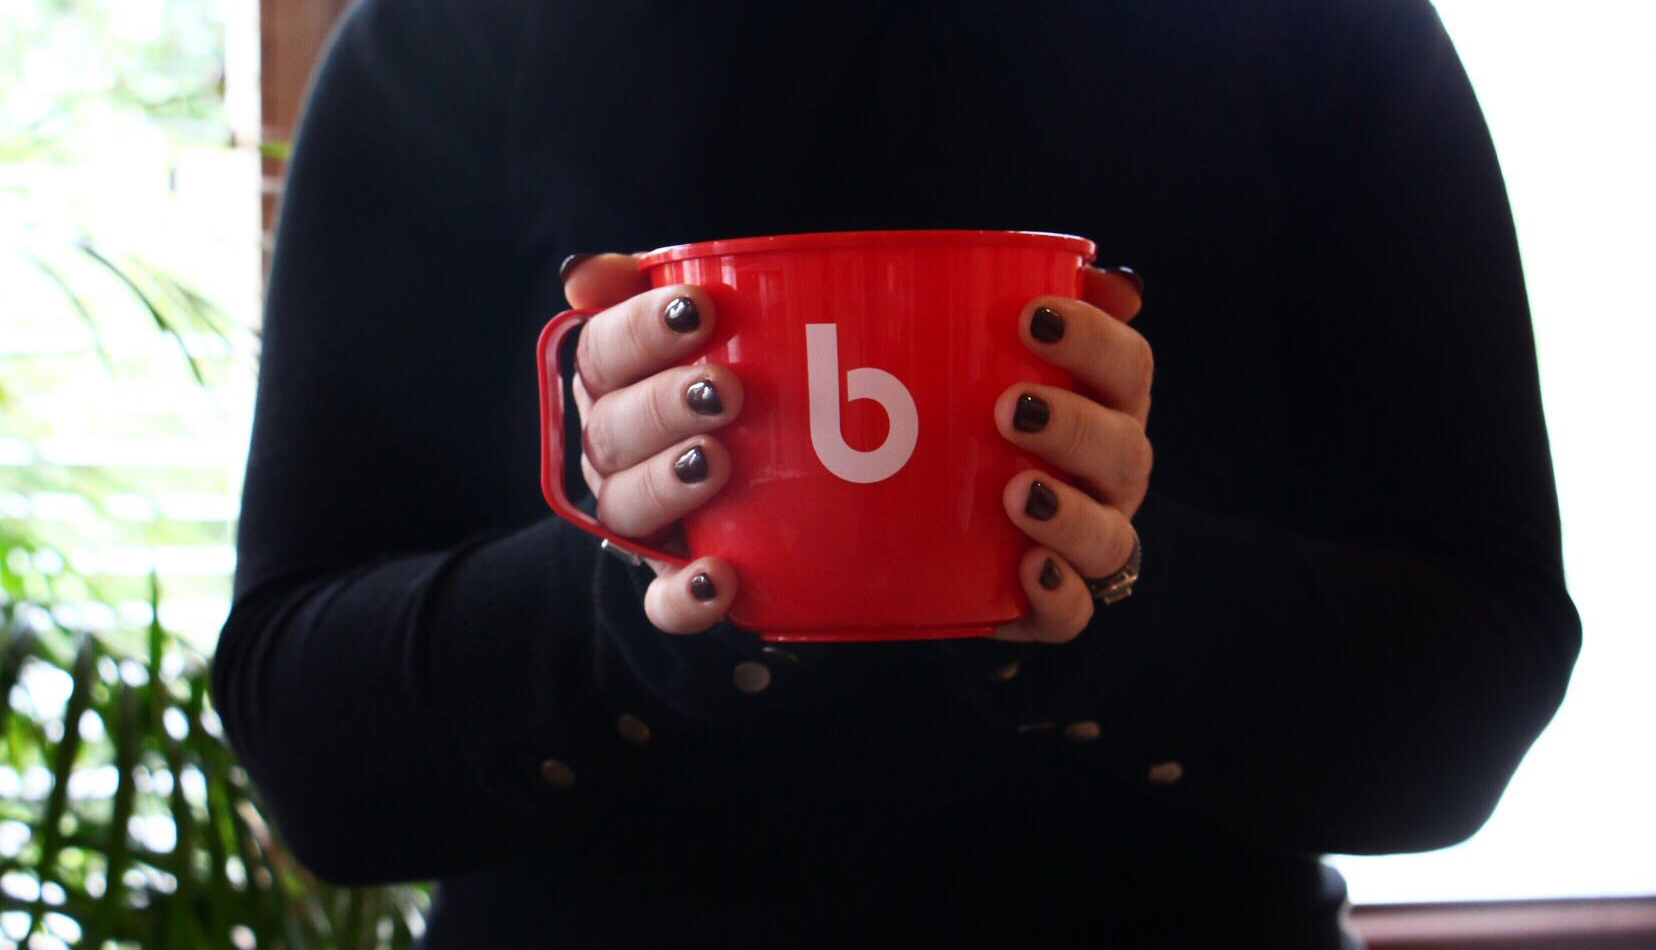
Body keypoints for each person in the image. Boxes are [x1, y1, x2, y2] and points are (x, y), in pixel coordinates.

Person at [210, 0, 1582, 945]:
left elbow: (1480, 690)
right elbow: (310, 747)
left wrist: (1125, 593)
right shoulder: (457, 31)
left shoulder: (1318, 29)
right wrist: (624, 597)